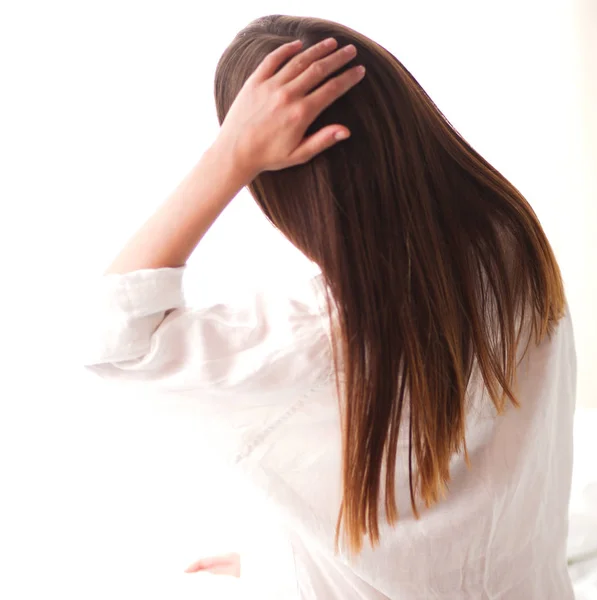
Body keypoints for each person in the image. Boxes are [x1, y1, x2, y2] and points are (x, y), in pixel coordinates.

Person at [81, 14, 577, 600]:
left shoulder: (320, 339)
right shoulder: (513, 246)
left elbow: (113, 338)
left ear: (287, 183)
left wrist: (229, 158)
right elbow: (449, 526)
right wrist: (275, 559)